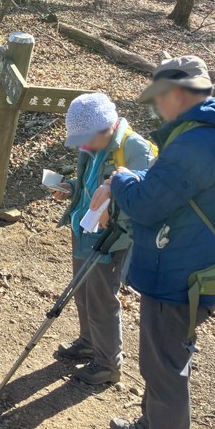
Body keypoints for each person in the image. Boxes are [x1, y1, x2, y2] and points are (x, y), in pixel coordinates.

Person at [89, 56, 215, 429]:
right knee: (166, 362)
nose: (156, 107)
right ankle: (152, 427)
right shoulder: (212, 134)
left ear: (176, 95)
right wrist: (127, 180)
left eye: (159, 99)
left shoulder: (197, 142)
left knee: (164, 368)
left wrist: (121, 179)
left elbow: (147, 203)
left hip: (178, 274)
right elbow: (170, 184)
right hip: (193, 266)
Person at [54, 93, 155, 385]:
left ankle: (107, 363)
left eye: (85, 139)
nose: (82, 146)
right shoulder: (92, 146)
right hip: (84, 229)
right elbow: (89, 182)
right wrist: (71, 187)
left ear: (106, 128)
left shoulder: (135, 149)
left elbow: (146, 199)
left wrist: (114, 208)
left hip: (112, 238)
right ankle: (88, 342)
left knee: (100, 299)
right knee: (82, 291)